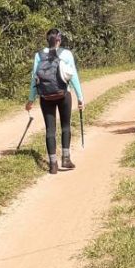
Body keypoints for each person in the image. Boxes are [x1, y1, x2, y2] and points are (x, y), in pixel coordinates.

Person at [25, 29, 85, 174]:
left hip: (45, 97)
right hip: (63, 94)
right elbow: (74, 77)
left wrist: (31, 99)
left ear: (47, 40)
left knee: (50, 129)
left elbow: (35, 78)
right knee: (65, 126)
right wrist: (80, 97)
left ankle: (53, 164)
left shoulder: (39, 55)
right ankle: (66, 158)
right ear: (59, 40)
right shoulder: (66, 54)